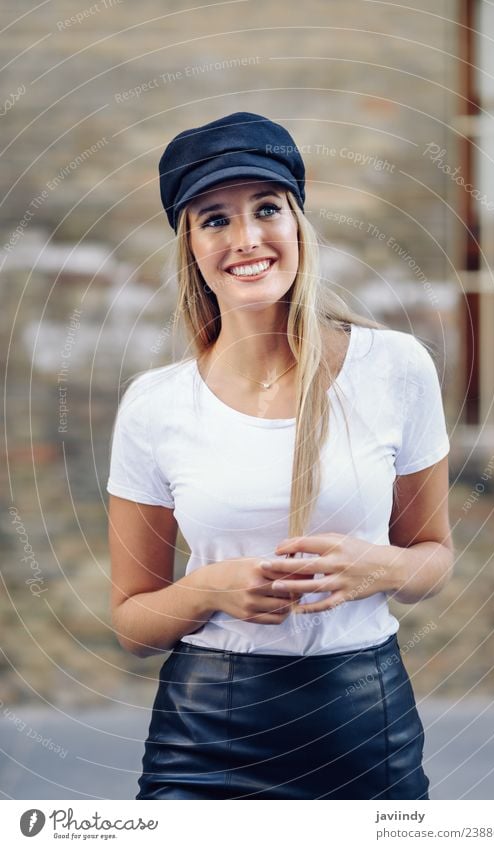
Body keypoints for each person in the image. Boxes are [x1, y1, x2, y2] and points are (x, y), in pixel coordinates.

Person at [106, 111, 453, 800]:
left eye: (267, 208)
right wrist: (210, 588)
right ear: (191, 247)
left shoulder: (396, 366)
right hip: (203, 740)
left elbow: (434, 556)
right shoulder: (155, 405)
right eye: (215, 218)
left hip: (365, 726)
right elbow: (132, 621)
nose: (248, 238)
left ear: (298, 222)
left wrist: (375, 566)